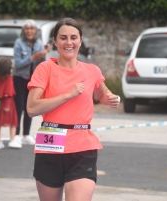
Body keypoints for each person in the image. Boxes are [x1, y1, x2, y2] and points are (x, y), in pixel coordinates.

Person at [27, 18, 120, 201]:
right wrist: (66, 95)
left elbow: (103, 94)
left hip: (82, 147)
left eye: (73, 37)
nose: (69, 43)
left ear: (80, 39)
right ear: (55, 41)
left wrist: (112, 99)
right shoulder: (44, 69)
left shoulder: (91, 70)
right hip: (50, 145)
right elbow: (31, 108)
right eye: (63, 38)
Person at [13, 19, 52, 145]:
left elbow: (41, 64)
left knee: (30, 106)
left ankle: (26, 134)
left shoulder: (39, 43)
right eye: (27, 29)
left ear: (35, 31)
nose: (29, 31)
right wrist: (32, 58)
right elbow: (18, 64)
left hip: (33, 80)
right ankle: (16, 134)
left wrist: (43, 55)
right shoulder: (19, 43)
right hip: (20, 78)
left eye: (32, 29)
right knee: (18, 106)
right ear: (24, 31)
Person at [0, 57, 20, 149]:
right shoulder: (9, 78)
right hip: (8, 102)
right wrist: (7, 105)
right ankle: (12, 139)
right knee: (13, 121)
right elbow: (9, 92)